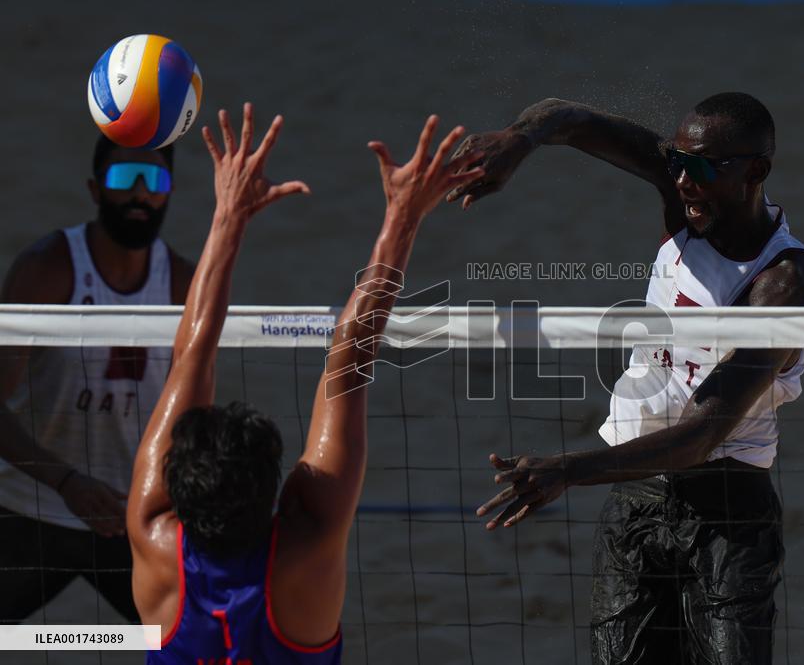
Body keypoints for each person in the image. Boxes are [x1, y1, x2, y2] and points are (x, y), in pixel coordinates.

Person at [463, 93, 804, 664]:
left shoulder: (781, 284)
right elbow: (570, 118)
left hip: (727, 507)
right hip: (635, 495)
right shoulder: (685, 197)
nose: (682, 179)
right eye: (676, 161)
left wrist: (569, 469)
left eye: (702, 167)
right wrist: (519, 139)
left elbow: (703, 435)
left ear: (757, 170)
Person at [127, 103, 483, 663]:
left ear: (178, 499)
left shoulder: (154, 541)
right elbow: (350, 358)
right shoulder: (306, 546)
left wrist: (227, 216)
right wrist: (403, 216)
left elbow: (189, 355)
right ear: (277, 489)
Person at [0, 135, 195, 624]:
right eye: (121, 178)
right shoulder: (47, 269)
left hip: (133, 518)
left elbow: (193, 417)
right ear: (94, 189)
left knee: (197, 645)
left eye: (152, 180)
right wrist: (65, 481)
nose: (138, 194)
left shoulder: (182, 284)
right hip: (31, 506)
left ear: (168, 192)